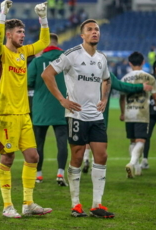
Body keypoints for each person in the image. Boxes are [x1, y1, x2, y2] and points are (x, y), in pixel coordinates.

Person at [42, 19, 114, 218]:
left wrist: (104, 99)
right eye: (90, 30)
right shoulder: (71, 55)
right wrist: (61, 100)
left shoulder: (102, 58)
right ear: (82, 35)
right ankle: (76, 205)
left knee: (102, 156)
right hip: (76, 114)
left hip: (95, 116)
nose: (94, 32)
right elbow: (47, 74)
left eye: (97, 29)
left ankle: (97, 205)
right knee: (77, 156)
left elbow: (107, 80)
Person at [0, 0, 52, 218]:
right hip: (5, 115)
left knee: (33, 156)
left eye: (24, 31)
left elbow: (44, 41)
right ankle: (7, 206)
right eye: (19, 32)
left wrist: (43, 17)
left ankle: (28, 203)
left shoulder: (23, 52)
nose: (23, 35)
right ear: (9, 34)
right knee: (7, 158)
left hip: (24, 114)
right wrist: (2, 15)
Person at [82, 71, 153, 173]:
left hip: (83, 114)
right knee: (97, 141)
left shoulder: (84, 71)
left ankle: (84, 160)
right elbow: (122, 86)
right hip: (99, 116)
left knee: (83, 140)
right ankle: (94, 166)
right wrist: (140, 86)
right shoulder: (106, 73)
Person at [27, 33, 68, 186]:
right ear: (57, 43)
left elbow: (28, 82)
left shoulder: (38, 61)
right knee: (62, 141)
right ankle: (60, 173)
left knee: (39, 143)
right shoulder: (67, 59)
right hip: (61, 106)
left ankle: (38, 174)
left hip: (41, 107)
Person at [120, 52, 156, 178]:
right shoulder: (149, 77)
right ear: (143, 62)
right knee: (141, 141)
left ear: (130, 63)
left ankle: (138, 168)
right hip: (142, 113)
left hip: (129, 113)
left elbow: (122, 98)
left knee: (133, 141)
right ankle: (132, 163)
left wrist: (122, 113)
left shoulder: (125, 78)